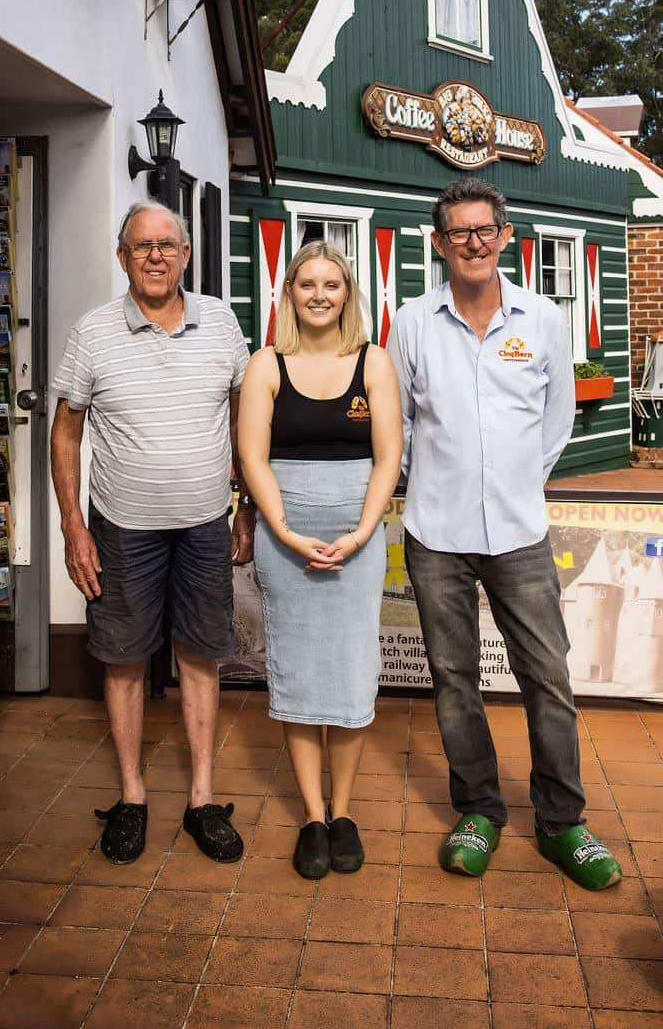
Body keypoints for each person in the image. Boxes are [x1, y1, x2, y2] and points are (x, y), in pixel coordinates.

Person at [387, 176, 622, 891]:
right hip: (435, 531)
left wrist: (513, 481)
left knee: (547, 679)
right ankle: (480, 811)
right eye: (458, 232)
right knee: (455, 681)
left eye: (484, 229)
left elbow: (552, 427)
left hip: (519, 532)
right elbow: (395, 422)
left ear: (505, 235)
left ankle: (562, 823)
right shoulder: (411, 322)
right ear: (439, 243)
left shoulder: (544, 319)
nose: (473, 243)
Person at [50, 200, 253, 866]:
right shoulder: (93, 331)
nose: (157, 255)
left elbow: (246, 417)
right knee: (124, 656)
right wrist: (73, 525)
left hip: (203, 526)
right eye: (142, 246)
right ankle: (133, 796)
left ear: (187, 254)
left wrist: (246, 505)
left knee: (200, 654)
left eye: (168, 244)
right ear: (123, 258)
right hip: (121, 528)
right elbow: (66, 431)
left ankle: (201, 799)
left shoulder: (221, 323)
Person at [237, 241, 402, 878]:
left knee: (353, 671)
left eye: (332, 284)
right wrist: (281, 529)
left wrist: (361, 534)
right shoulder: (266, 365)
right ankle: (311, 816)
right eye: (307, 284)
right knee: (301, 673)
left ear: (348, 294)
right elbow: (253, 456)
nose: (319, 295)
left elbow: (388, 456)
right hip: (288, 543)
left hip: (357, 541)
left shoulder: (374, 363)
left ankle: (343, 811)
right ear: (290, 293)